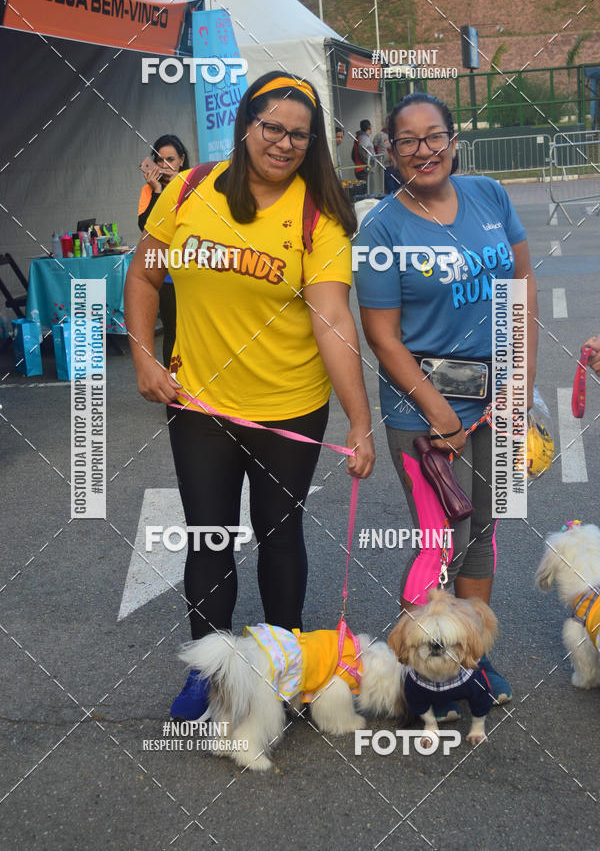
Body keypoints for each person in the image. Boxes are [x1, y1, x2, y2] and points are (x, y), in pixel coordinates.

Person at [125, 72, 375, 721]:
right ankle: (208, 672)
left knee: (279, 535)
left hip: (289, 408)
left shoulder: (318, 216)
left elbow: (333, 321)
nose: (285, 143)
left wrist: (360, 419)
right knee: (210, 537)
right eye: (273, 128)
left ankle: (284, 667)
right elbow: (144, 273)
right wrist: (145, 355)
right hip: (201, 405)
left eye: (300, 133)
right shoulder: (187, 189)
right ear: (246, 125)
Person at [354, 92, 539, 716]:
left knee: (483, 531)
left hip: (494, 395)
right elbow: (381, 334)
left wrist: (519, 377)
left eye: (435, 137)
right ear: (390, 150)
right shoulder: (382, 227)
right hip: (422, 408)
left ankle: (471, 663)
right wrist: (439, 412)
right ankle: (414, 672)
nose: (425, 150)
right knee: (441, 540)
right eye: (409, 141)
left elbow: (520, 282)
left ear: (453, 140)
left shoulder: (489, 195)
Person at [138, 135, 190, 367]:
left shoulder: (195, 184)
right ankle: (174, 385)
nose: (165, 165)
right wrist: (158, 190)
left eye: (170, 159)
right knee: (173, 329)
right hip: (167, 269)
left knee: (199, 329)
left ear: (182, 159)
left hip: (195, 265)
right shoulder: (149, 190)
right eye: (160, 160)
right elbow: (147, 227)